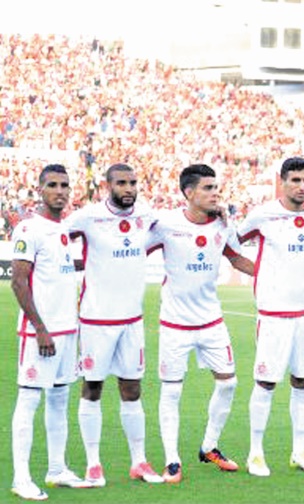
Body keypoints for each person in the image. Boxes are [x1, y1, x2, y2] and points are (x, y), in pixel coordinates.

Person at [147, 164, 255, 483]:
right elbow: (134, 253)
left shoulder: (222, 224)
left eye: (216, 187)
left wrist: (271, 275)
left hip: (211, 321)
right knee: (172, 391)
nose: (215, 193)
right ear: (189, 192)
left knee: (229, 383)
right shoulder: (166, 225)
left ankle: (209, 447)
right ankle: (171, 459)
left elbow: (236, 258)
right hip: (175, 324)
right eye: (207, 188)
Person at [67, 163, 165, 487]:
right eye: (121, 183)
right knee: (92, 388)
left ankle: (139, 461)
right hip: (96, 320)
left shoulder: (146, 215)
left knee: (132, 389)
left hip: (132, 321)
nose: (129, 188)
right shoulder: (89, 217)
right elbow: (57, 237)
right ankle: (93, 464)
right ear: (107, 186)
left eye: (133, 183)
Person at [236, 156, 304, 476]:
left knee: (303, 381)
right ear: (283, 181)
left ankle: (299, 451)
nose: (302, 187)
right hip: (274, 313)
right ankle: (255, 453)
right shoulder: (263, 214)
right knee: (266, 381)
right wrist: (259, 272)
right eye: (296, 180)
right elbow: (231, 244)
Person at [10, 164, 92, 500]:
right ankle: (21, 478)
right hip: (40, 334)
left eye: (65, 186)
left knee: (59, 400)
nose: (60, 191)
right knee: (29, 400)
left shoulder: (64, 229)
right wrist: (40, 328)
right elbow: (18, 281)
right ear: (40, 189)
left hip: (67, 331)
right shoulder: (29, 229)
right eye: (53, 185)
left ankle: (57, 469)